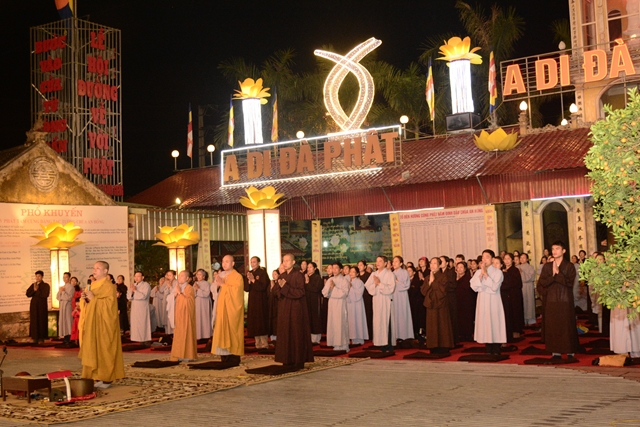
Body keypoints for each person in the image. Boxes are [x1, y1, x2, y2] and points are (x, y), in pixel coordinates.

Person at [78, 261, 125, 389]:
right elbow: (88, 304)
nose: (94, 270)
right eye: (94, 268)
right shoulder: (92, 285)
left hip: (104, 324)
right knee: (92, 348)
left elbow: (110, 306)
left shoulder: (109, 286)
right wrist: (85, 299)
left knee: (105, 348)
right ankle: (96, 376)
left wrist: (93, 299)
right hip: (93, 323)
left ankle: (106, 378)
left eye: (98, 268)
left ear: (105, 271)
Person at [537, 241, 579, 359]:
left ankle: (569, 350)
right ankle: (555, 351)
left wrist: (558, 273)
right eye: (553, 249)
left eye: (557, 248)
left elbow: (569, 283)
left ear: (564, 251)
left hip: (565, 300)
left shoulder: (569, 266)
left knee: (567, 325)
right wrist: (553, 276)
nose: (554, 251)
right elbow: (542, 283)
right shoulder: (547, 266)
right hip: (551, 300)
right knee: (553, 325)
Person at [273, 254, 314, 370]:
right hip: (284, 309)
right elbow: (275, 291)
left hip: (296, 309)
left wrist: (285, 287)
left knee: (296, 333)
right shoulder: (282, 275)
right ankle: (287, 359)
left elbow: (300, 292)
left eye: (287, 260)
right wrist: (280, 288)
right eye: (283, 261)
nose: (285, 263)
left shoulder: (298, 275)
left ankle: (298, 360)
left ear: (293, 262)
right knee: (285, 334)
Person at [470, 250, 506, 355]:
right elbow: (474, 286)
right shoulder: (478, 272)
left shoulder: (498, 272)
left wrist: (486, 275)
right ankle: (488, 348)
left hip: (494, 301)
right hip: (482, 301)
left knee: (494, 322)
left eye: (487, 257)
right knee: (485, 323)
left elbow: (494, 287)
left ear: (492, 259)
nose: (484, 259)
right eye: (483, 257)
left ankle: (496, 348)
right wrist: (481, 275)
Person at [211, 255, 245, 367]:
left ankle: (234, 357)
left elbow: (236, 293)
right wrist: (217, 285)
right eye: (223, 262)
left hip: (232, 309)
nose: (224, 264)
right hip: (222, 308)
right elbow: (214, 290)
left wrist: (223, 285)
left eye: (227, 261)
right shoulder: (221, 275)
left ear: (233, 263)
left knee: (232, 330)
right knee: (221, 329)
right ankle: (224, 356)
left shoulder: (237, 276)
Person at [421, 257, 454, 352]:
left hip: (441, 304)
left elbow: (442, 291)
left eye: (435, 263)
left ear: (439, 265)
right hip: (430, 304)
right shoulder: (427, 278)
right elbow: (423, 291)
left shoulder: (444, 277)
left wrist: (433, 282)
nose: (432, 265)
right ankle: (433, 346)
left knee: (442, 324)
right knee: (431, 325)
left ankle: (444, 346)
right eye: (431, 263)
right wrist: (430, 282)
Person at [364, 256, 396, 352]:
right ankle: (381, 344)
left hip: (385, 301)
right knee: (378, 322)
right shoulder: (373, 274)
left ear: (385, 263)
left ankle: (389, 345)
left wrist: (379, 284)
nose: (377, 263)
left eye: (380, 261)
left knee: (386, 322)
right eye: (377, 261)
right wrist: (375, 284)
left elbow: (391, 288)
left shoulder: (390, 274)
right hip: (377, 300)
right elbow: (368, 286)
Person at [169, 270, 197, 362]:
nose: (180, 277)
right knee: (178, 334)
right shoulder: (177, 287)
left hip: (186, 315)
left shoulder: (189, 288)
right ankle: (179, 354)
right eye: (179, 275)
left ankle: (188, 355)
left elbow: (189, 302)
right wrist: (175, 295)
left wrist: (180, 293)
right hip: (178, 314)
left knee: (187, 333)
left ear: (187, 278)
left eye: (182, 276)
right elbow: (169, 299)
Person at [322, 262, 350, 352]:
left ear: (341, 270)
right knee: (333, 323)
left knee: (340, 323)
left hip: (340, 305)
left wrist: (334, 288)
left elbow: (344, 293)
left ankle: (343, 345)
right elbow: (324, 293)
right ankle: (335, 343)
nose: (334, 270)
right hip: (332, 304)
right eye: (332, 268)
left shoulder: (344, 280)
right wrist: (330, 289)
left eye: (336, 268)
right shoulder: (330, 279)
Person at [244, 256, 270, 349]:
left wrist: (254, 280)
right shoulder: (249, 273)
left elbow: (263, 287)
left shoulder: (262, 273)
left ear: (258, 263)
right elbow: (246, 288)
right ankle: (257, 343)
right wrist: (249, 281)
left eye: (254, 262)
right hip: (252, 301)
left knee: (261, 321)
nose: (252, 264)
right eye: (251, 262)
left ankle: (264, 344)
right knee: (254, 321)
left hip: (261, 301)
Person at [501, 253, 524, 341]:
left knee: (515, 313)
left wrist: (506, 275)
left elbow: (516, 283)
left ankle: (516, 331)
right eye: (505, 259)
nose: (506, 261)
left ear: (512, 260)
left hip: (514, 295)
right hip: (505, 295)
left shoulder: (515, 270)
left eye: (508, 259)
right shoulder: (502, 270)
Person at [392, 256, 414, 341]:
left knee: (403, 315)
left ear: (401, 263)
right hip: (394, 296)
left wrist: (397, 281)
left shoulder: (404, 272)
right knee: (395, 316)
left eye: (396, 261)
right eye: (393, 261)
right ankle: (396, 336)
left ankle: (405, 335)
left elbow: (406, 285)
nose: (394, 263)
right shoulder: (392, 273)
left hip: (402, 296)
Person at [26, 270, 50, 344]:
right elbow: (28, 294)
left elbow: (45, 294)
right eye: (36, 276)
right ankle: (34, 337)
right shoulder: (33, 285)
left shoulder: (46, 285)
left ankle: (41, 338)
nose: (37, 278)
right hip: (34, 306)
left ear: (42, 277)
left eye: (39, 276)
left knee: (41, 321)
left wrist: (37, 291)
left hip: (42, 306)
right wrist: (34, 290)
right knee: (34, 321)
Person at [127, 272, 151, 343]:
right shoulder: (134, 285)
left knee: (142, 323)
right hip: (134, 307)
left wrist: (135, 290)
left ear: (142, 277)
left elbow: (143, 296)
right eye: (135, 276)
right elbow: (129, 297)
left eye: (138, 276)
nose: (136, 278)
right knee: (135, 323)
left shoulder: (146, 285)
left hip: (142, 307)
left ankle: (144, 339)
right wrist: (132, 291)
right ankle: (135, 338)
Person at [455, 261, 476, 342]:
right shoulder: (454, 278)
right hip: (457, 302)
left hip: (466, 302)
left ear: (465, 269)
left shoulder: (468, 278)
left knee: (466, 318)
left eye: (461, 267)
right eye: (458, 267)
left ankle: (467, 335)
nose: (459, 269)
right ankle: (460, 334)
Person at [347, 266, 368, 345]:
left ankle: (359, 338)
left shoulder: (359, 282)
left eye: (353, 272)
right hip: (350, 304)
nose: (351, 273)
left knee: (358, 320)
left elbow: (359, 294)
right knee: (351, 321)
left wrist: (351, 288)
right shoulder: (348, 281)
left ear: (357, 273)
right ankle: (353, 338)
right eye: (350, 272)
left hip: (357, 304)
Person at [305, 262, 324, 344]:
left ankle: (316, 338)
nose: (308, 269)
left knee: (315, 319)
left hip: (315, 300)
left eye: (310, 267)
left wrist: (307, 282)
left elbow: (316, 289)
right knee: (309, 318)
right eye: (308, 267)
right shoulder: (306, 277)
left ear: (315, 268)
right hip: (307, 301)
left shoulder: (317, 277)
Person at [193, 269, 213, 341]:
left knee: (204, 318)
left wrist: (198, 289)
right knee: (198, 318)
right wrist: (195, 289)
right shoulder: (195, 283)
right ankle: (198, 335)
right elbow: (193, 293)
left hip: (204, 303)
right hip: (197, 302)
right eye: (197, 274)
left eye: (200, 274)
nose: (198, 276)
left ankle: (206, 335)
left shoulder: (206, 283)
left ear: (204, 276)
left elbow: (206, 294)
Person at [407, 265, 426, 338]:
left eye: (410, 271)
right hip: (408, 303)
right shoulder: (405, 281)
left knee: (416, 318)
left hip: (415, 303)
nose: (408, 272)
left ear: (414, 272)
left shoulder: (417, 281)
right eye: (407, 271)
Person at [518, 253, 537, 326]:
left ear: (527, 259)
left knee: (529, 303)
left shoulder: (530, 267)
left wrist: (522, 273)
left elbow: (530, 278)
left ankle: (530, 319)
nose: (522, 259)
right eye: (521, 257)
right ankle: (523, 320)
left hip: (528, 287)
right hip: (520, 287)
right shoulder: (517, 267)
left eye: (524, 258)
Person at [357, 260, 373, 340]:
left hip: (367, 298)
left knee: (368, 315)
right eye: (358, 265)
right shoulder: (356, 276)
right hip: (358, 299)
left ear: (365, 267)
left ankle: (369, 334)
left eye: (361, 265)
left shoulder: (369, 275)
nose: (359, 267)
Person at [57, 272, 74, 344]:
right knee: (63, 321)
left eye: (66, 277)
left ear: (69, 278)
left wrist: (63, 292)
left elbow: (69, 297)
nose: (64, 278)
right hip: (62, 306)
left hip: (67, 306)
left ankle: (70, 337)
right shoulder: (62, 286)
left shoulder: (71, 287)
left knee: (68, 321)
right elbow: (58, 297)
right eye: (63, 277)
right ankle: (65, 337)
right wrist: (60, 292)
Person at [164, 270, 178, 336]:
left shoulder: (177, 282)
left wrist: (170, 286)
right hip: (168, 301)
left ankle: (174, 332)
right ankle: (169, 332)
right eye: (168, 275)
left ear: (174, 275)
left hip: (174, 302)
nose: (168, 277)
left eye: (170, 275)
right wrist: (168, 286)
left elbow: (175, 292)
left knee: (173, 316)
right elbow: (165, 293)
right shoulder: (168, 282)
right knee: (168, 316)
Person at [269, 269, 280, 342]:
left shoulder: (279, 283)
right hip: (271, 305)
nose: (273, 276)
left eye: (275, 274)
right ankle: (273, 337)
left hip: (277, 305)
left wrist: (273, 288)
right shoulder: (271, 283)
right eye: (273, 274)